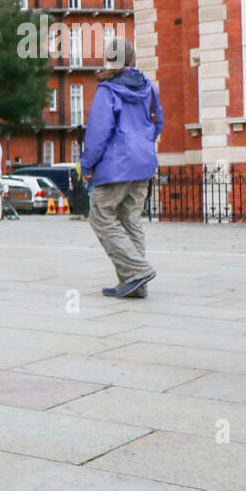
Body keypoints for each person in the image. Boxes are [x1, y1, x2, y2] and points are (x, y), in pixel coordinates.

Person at [81, 38, 162, 298]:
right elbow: (157, 121)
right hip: (144, 161)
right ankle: (136, 285)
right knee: (130, 219)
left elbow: (98, 132)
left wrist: (87, 164)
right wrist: (144, 144)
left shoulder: (108, 90)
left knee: (100, 213)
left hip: (118, 162)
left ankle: (138, 271)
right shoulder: (148, 87)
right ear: (132, 59)